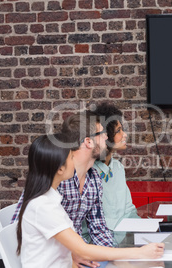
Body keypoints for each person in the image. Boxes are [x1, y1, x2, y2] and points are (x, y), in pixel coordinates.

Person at [16, 133, 164, 267]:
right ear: (60, 169)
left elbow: (73, 249)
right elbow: (84, 250)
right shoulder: (43, 206)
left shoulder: (50, 200)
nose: (74, 161)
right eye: (71, 157)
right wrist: (139, 253)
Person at [12, 111, 116, 268]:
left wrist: (112, 258)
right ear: (88, 142)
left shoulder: (94, 178)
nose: (107, 137)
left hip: (80, 257)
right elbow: (18, 226)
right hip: (55, 260)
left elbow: (99, 229)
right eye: (102, 133)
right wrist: (74, 254)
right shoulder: (57, 176)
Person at [82, 102, 139, 245]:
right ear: (105, 136)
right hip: (95, 245)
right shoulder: (88, 173)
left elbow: (129, 210)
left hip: (121, 241)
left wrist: (147, 229)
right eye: (119, 131)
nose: (124, 135)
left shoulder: (118, 168)